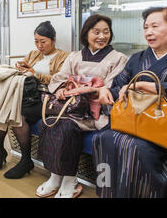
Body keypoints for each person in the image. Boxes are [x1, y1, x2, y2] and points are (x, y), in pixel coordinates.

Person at [36, 14, 128, 198]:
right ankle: (56, 176)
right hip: (70, 106)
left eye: (106, 32)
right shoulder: (75, 56)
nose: (102, 36)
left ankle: (70, 179)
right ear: (86, 34)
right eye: (96, 32)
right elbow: (59, 78)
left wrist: (78, 86)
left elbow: (109, 87)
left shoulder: (118, 58)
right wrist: (62, 89)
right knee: (48, 123)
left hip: (94, 111)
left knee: (66, 126)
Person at [94, 6, 167, 198]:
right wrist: (106, 91)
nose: (148, 32)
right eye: (146, 27)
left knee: (133, 147)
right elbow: (120, 87)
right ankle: (107, 192)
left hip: (166, 128)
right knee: (102, 138)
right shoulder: (137, 58)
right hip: (133, 122)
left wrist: (159, 89)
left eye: (155, 26)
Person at [0, 21, 69, 179]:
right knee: (1, 109)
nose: (40, 46)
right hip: (25, 95)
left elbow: (60, 81)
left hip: (44, 99)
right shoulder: (33, 54)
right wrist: (22, 67)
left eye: (43, 42)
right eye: (36, 41)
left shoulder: (64, 57)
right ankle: (0, 150)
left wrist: (34, 73)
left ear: (53, 40)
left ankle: (25, 160)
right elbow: (25, 72)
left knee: (17, 114)